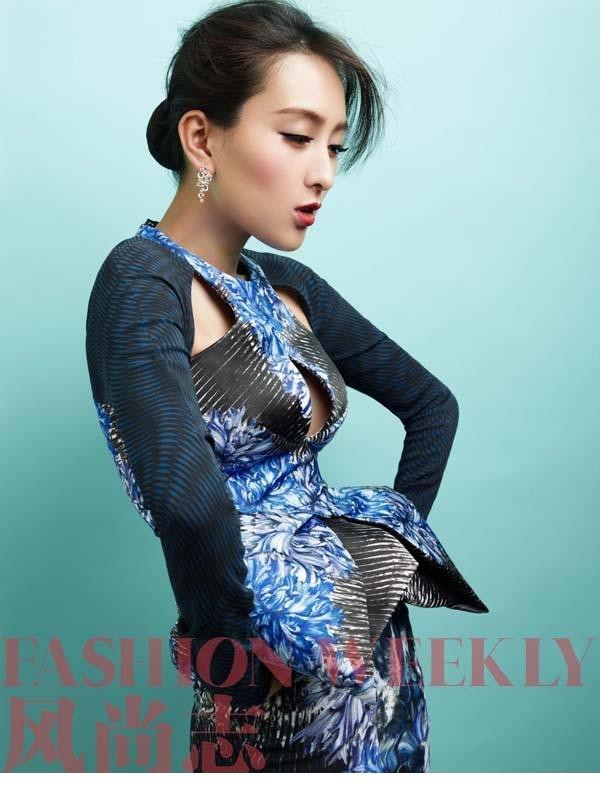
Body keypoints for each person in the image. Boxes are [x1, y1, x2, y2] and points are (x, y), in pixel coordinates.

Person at [85, 0, 488, 773]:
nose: (323, 173)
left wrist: (370, 576)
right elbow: (186, 498)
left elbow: (433, 406)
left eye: (334, 146)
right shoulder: (143, 281)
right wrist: (230, 665)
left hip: (374, 664)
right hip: (267, 676)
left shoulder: (286, 286)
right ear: (201, 138)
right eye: (298, 137)